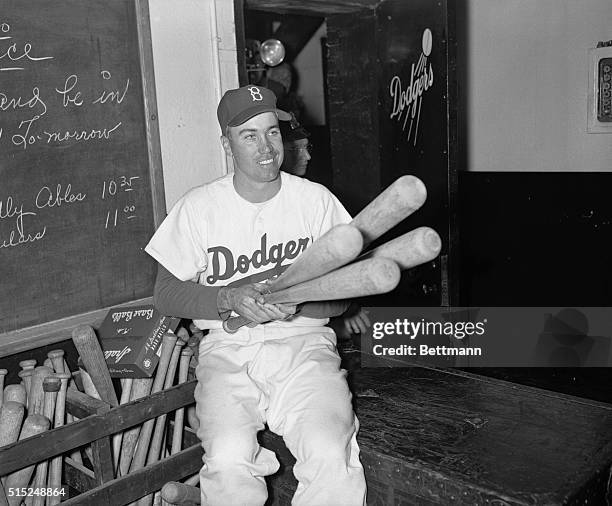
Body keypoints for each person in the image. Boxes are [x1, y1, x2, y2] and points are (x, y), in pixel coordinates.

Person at [145, 85, 367, 506]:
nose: (266, 148)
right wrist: (227, 298)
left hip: (304, 344)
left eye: (272, 132)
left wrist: (302, 300)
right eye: (249, 136)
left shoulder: (316, 202)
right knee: (228, 460)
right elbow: (166, 295)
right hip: (228, 349)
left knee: (329, 452)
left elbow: (346, 294)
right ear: (226, 144)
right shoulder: (199, 207)